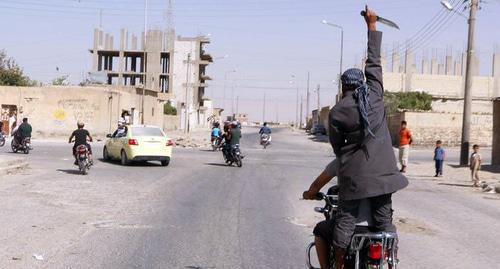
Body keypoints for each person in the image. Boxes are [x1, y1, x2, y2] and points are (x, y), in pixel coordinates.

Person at [326, 7, 408, 269]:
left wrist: (347, 159)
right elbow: (374, 61)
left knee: (346, 221)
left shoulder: (338, 110)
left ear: (343, 87)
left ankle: (338, 264)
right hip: (385, 175)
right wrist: (371, 26)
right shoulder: (375, 94)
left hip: (355, 179)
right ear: (362, 83)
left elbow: (338, 147)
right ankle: (390, 260)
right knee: (384, 222)